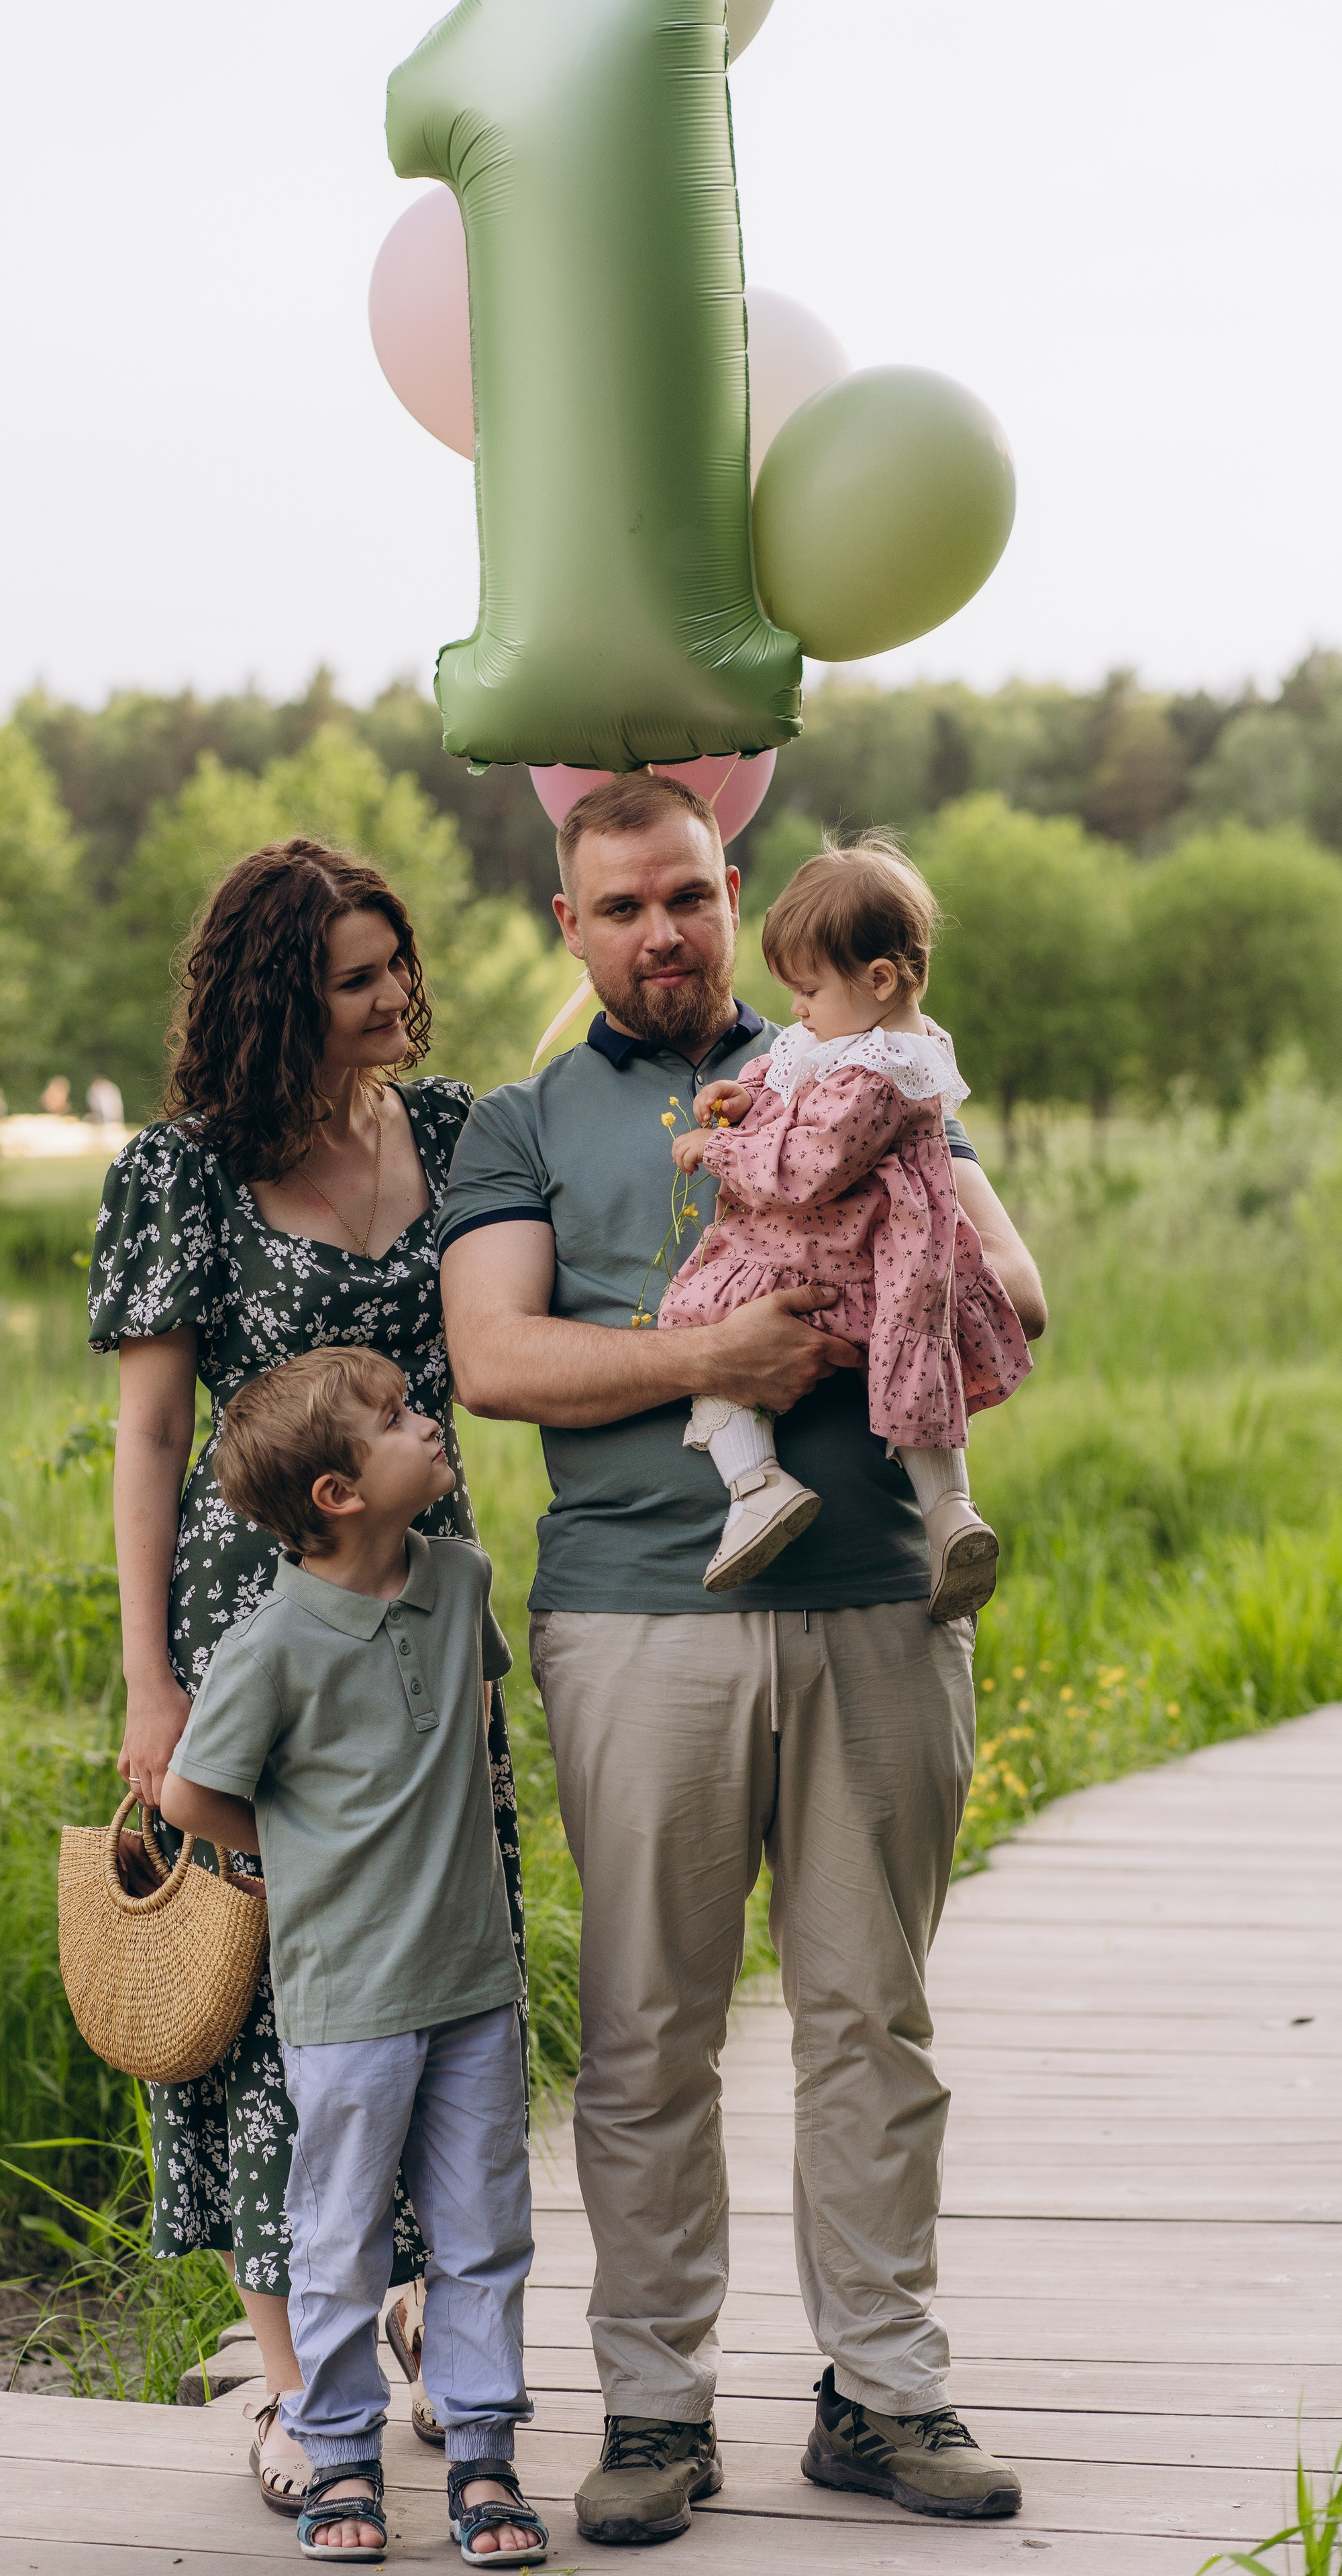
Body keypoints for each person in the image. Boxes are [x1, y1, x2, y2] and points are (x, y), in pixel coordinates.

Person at [437, 772, 1047, 2546]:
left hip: (877, 1604)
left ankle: (883, 2392)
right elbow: (494, 1358)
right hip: (638, 1619)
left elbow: (1016, 1293)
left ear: (733, 893)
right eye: (623, 907)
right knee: (647, 2036)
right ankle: (655, 2410)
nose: (663, 933)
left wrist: (872, 1278)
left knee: (873, 2021)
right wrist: (708, 1361)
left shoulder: (861, 1064)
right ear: (570, 924)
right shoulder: (521, 1124)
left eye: (689, 896)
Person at [88, 840, 526, 2515]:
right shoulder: (183, 1173)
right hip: (252, 1629)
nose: (397, 994)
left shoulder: (456, 1131)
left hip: (427, 1609)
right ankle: (288, 2382)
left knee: (435, 1966)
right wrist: (150, 1678)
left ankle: (410, 2313)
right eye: (356, 978)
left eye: (397, 960)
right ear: (281, 1002)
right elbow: (149, 1436)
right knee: (270, 2001)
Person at [158, 1346, 548, 2566]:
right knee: (338, 2239)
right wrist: (297, 1859)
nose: (429, 1424)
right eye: (397, 1419)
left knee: (484, 2229)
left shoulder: (462, 1577)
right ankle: (340, 2458)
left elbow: (476, 1708)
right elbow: (189, 1795)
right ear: (338, 1493)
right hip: (347, 1997)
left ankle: (483, 2454)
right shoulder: (272, 1642)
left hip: (473, 1981)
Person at [659, 835, 1030, 1608]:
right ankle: (949, 1513)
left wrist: (720, 1148)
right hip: (898, 1265)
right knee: (913, 1369)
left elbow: (811, 1163)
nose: (794, 1010)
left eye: (807, 989)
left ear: (881, 978)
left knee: (699, 1318)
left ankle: (755, 1485)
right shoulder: (876, 1041)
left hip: (838, 1255)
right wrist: (747, 1096)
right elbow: (797, 1076)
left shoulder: (878, 1075)